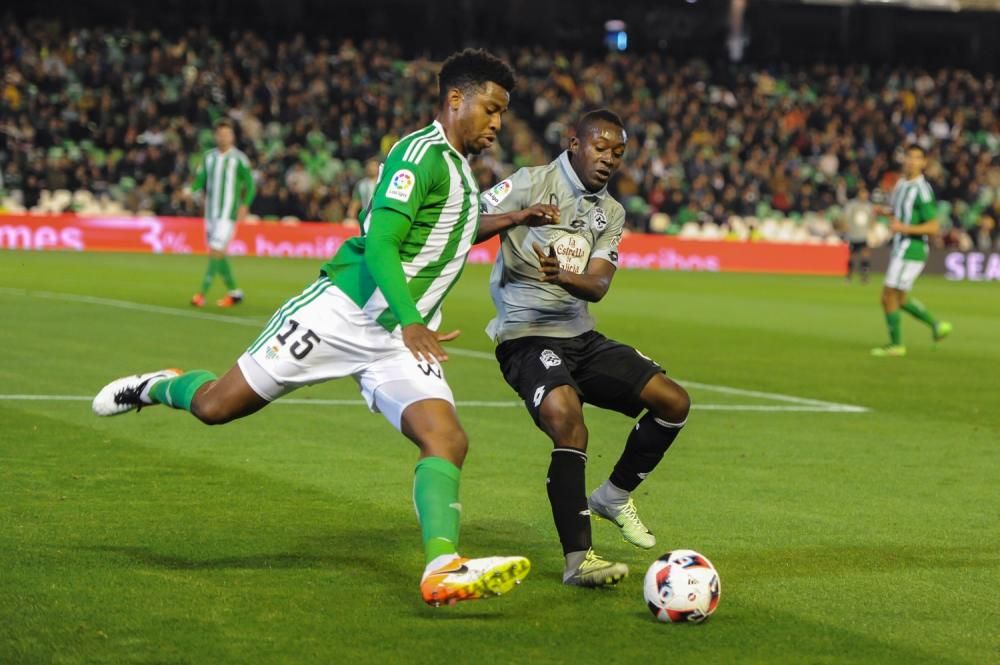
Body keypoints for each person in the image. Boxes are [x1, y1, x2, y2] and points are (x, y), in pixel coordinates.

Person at [92, 49, 555, 607]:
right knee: (217, 406)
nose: (498, 123)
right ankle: (157, 386)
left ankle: (442, 566)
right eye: (492, 108)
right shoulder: (418, 154)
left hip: (396, 340)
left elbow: (454, 229)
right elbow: (381, 241)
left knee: (446, 439)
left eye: (503, 113)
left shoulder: (458, 167)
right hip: (340, 314)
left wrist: (514, 217)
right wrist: (411, 320)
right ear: (456, 100)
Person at [477, 109, 691, 588]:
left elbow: (597, 286)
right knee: (568, 419)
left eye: (618, 153)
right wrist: (520, 215)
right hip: (526, 336)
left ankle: (613, 496)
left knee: (673, 402)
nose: (609, 159)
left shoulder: (610, 212)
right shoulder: (530, 182)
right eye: (601, 147)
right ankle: (579, 561)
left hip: (580, 336)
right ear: (574, 142)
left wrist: (564, 276)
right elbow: (465, 225)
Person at [871, 145, 952, 357]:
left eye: (917, 158)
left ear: (924, 163)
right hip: (901, 246)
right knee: (901, 298)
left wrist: (903, 228)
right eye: (909, 157)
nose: (912, 161)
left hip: (911, 248)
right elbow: (901, 214)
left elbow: (934, 226)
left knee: (888, 295)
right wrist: (886, 213)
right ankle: (936, 325)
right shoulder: (901, 184)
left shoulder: (922, 190)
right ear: (903, 159)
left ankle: (896, 345)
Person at [189, 118, 256, 308]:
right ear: (216, 136)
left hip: (228, 214)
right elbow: (200, 180)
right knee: (217, 253)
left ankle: (201, 294)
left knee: (216, 251)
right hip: (210, 214)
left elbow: (250, 185)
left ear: (232, 136)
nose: (223, 137)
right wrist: (190, 191)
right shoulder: (208, 157)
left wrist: (245, 205)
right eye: (220, 134)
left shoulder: (239, 159)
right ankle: (234, 292)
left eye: (227, 134)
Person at [843, 186, 875, 283]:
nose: (864, 195)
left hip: (864, 234)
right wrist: (847, 230)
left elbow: (872, 219)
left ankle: (864, 275)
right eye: (862, 193)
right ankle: (849, 275)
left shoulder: (869, 206)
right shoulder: (852, 205)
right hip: (853, 234)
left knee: (866, 254)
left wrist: (872, 231)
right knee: (851, 256)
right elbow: (846, 218)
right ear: (858, 194)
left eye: (866, 193)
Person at [345, 157, 380, 223]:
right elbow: (355, 202)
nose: (371, 168)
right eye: (369, 166)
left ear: (379, 168)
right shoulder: (361, 184)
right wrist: (351, 214)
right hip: (366, 217)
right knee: (348, 222)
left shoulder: (383, 183)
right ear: (366, 168)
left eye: (374, 166)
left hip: (380, 215)